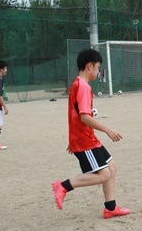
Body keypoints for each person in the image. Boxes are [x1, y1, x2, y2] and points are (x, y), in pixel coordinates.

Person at [52, 49, 131, 219]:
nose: (98, 71)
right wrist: (108, 130)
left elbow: (74, 114)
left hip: (86, 138)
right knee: (104, 174)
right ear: (89, 66)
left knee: (112, 168)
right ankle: (64, 186)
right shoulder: (83, 87)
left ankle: (110, 208)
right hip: (85, 141)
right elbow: (85, 117)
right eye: (97, 68)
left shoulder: (77, 84)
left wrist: (72, 138)